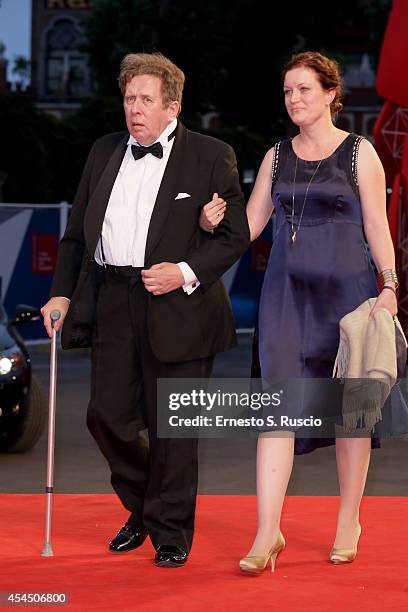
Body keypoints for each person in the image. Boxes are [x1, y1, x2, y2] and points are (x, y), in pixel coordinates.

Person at [41, 52, 249, 568]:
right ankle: (146, 505)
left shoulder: (210, 155)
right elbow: (75, 234)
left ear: (172, 105)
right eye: (129, 99)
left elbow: (233, 235)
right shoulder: (104, 150)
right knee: (106, 418)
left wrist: (184, 271)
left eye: (145, 100)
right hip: (112, 297)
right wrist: (62, 292)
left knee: (174, 426)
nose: (134, 109)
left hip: (178, 302)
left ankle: (171, 531)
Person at [200, 51, 400, 572]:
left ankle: (348, 520)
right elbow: (251, 225)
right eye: (287, 91)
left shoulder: (360, 154)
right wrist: (211, 222)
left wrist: (391, 285)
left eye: (304, 89)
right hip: (285, 298)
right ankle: (267, 533)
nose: (293, 99)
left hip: (349, 297)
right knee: (278, 410)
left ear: (331, 93)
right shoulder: (275, 156)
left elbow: (378, 225)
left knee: (349, 415)